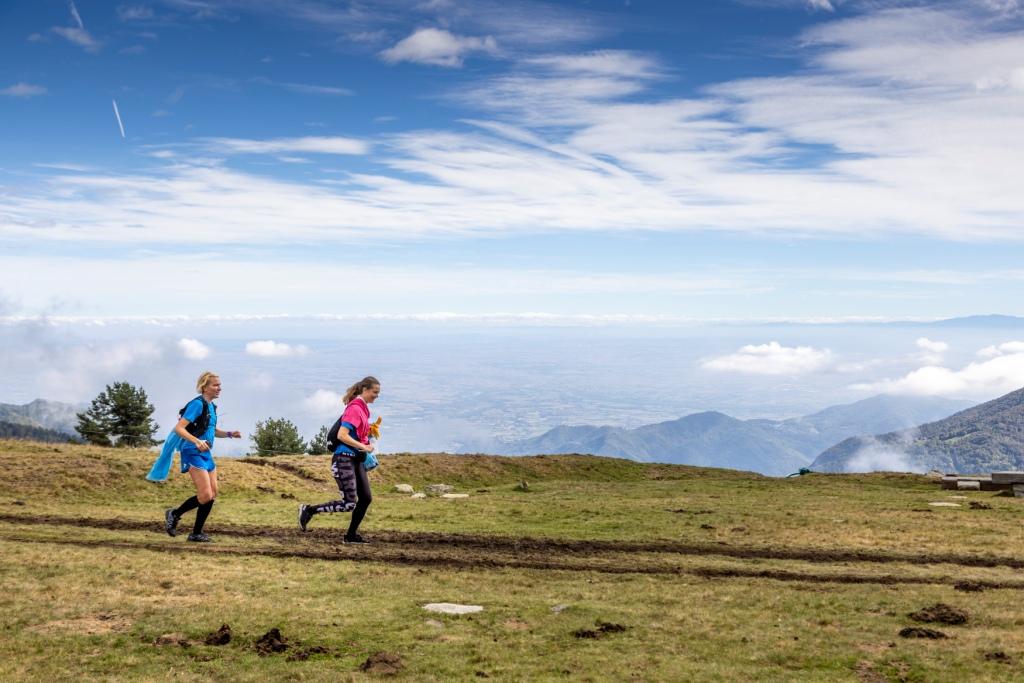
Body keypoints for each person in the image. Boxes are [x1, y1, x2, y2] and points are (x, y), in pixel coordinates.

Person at [298, 376, 379, 543]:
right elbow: (342, 435)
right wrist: (364, 447)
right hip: (343, 460)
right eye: (375, 392)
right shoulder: (355, 408)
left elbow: (358, 435)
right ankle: (309, 510)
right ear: (364, 390)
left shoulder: (363, 410)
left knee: (365, 498)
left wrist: (369, 436)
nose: (377, 396)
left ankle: (350, 536)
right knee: (349, 503)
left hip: (356, 460)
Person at [163, 371, 241, 543]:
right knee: (205, 495)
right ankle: (174, 514)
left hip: (205, 453)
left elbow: (211, 430)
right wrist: (197, 441)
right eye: (215, 385)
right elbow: (180, 428)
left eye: (219, 385)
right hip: (192, 451)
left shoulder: (211, 407)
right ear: (205, 387)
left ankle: (196, 533)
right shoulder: (197, 405)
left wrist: (229, 434)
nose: (219, 388)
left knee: (212, 493)